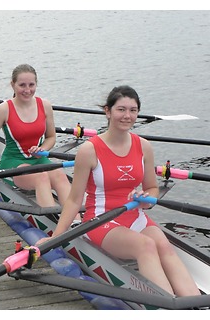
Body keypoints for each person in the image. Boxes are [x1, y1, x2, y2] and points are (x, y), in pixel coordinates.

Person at [36, 85, 200, 297]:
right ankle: (167, 309)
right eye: (121, 109)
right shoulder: (89, 150)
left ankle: (198, 306)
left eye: (133, 110)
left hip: (135, 215)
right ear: (108, 111)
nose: (127, 116)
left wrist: (146, 200)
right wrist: (55, 237)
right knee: (146, 246)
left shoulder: (144, 146)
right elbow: (75, 200)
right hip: (102, 220)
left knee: (164, 246)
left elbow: (151, 188)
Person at [0, 64, 75, 213]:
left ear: (36, 84)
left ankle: (76, 222)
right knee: (41, 177)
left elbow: (51, 137)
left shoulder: (45, 105)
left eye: (31, 85)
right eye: (22, 85)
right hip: (13, 163)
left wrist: (43, 149)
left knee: (61, 176)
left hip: (39, 159)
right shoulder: (4, 109)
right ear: (13, 85)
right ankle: (55, 226)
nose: (27, 90)